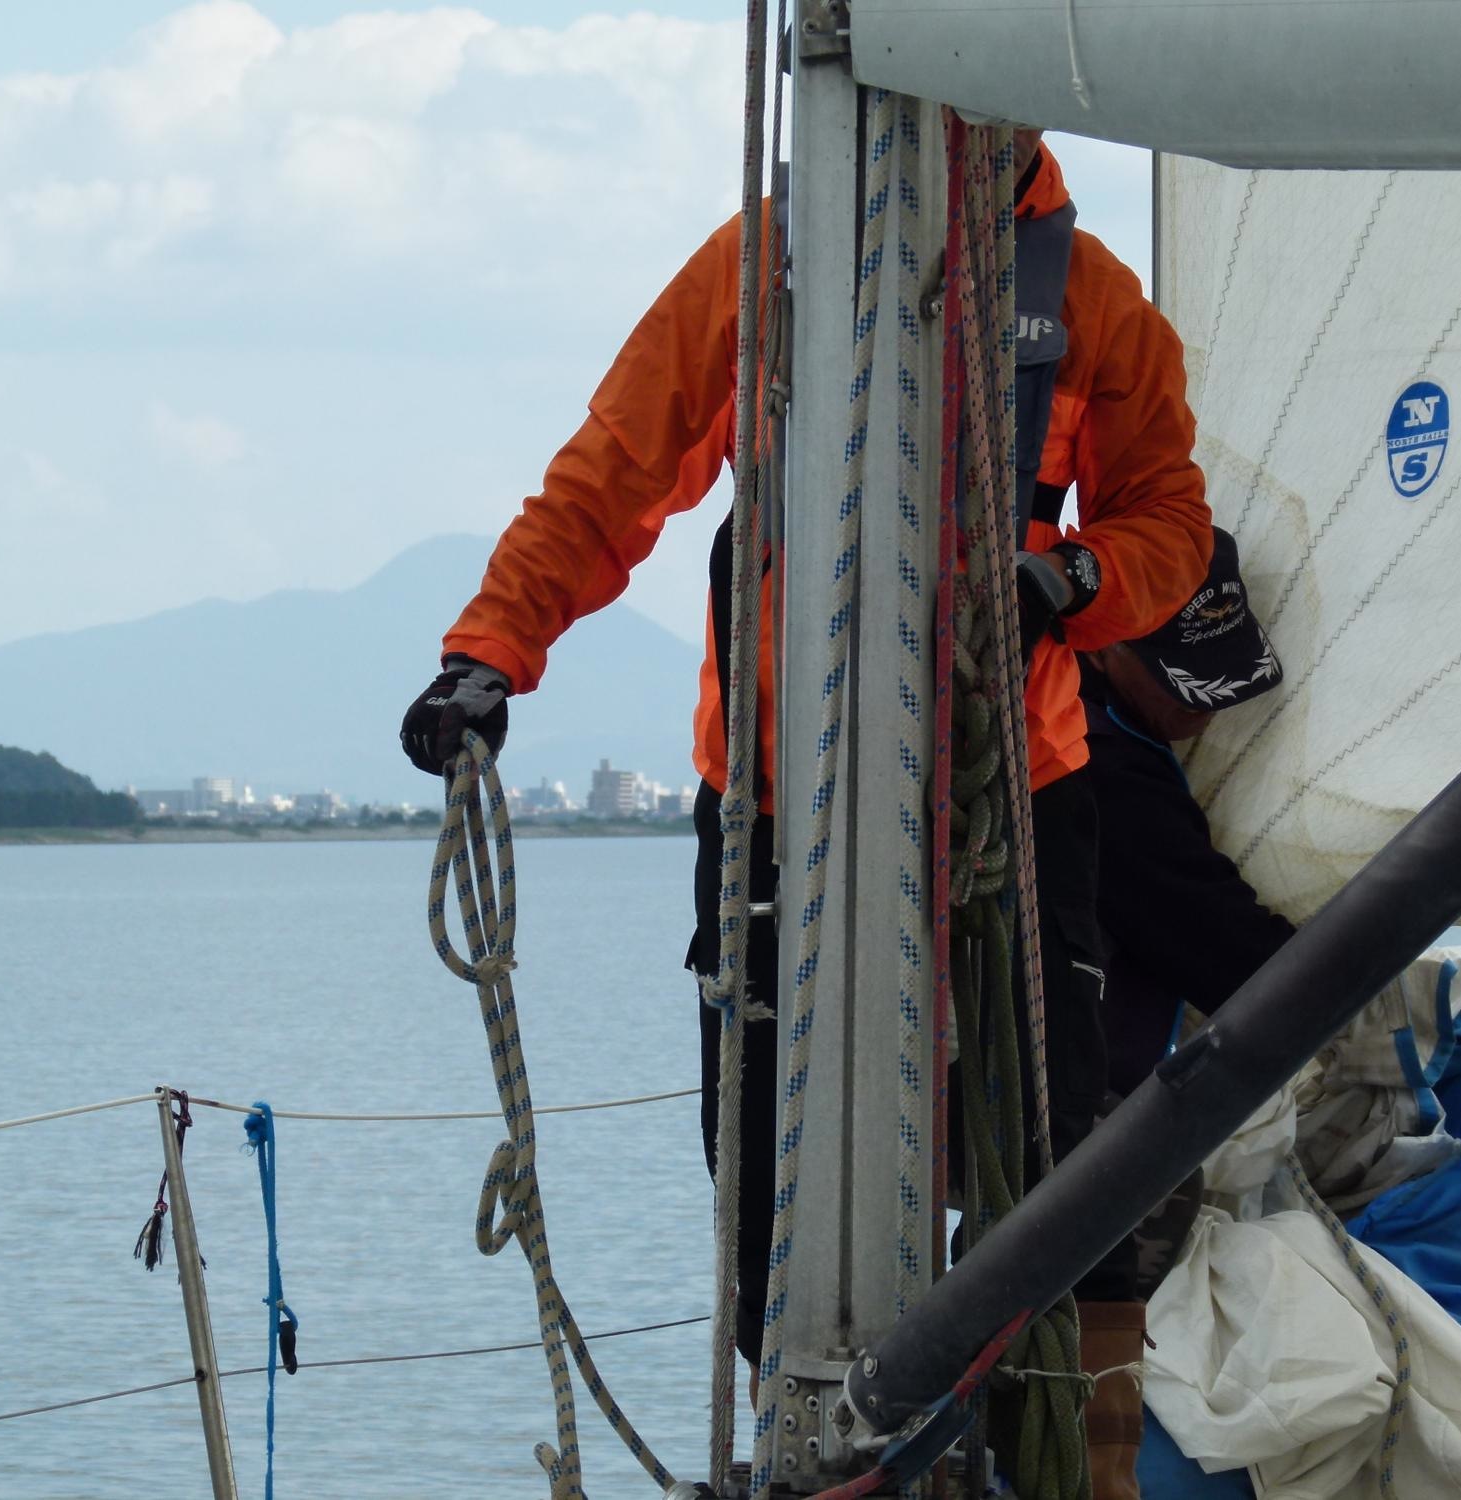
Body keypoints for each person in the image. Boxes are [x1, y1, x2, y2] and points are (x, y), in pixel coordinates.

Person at [399, 129, 1213, 1497]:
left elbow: (1167, 523)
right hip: (778, 801)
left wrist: (1066, 579)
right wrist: (490, 650)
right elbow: (614, 471)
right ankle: (816, 1460)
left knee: (1058, 1183)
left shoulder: (1088, 301)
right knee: (762, 1199)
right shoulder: (762, 269)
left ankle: (1065, 1466)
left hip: (1016, 793)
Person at [1080, 526, 1297, 1102]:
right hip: (1054, 1117)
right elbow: (1233, 961)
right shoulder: (1098, 769)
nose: (1211, 704)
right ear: (1100, 646)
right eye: (1179, 672)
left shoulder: (1099, 720)